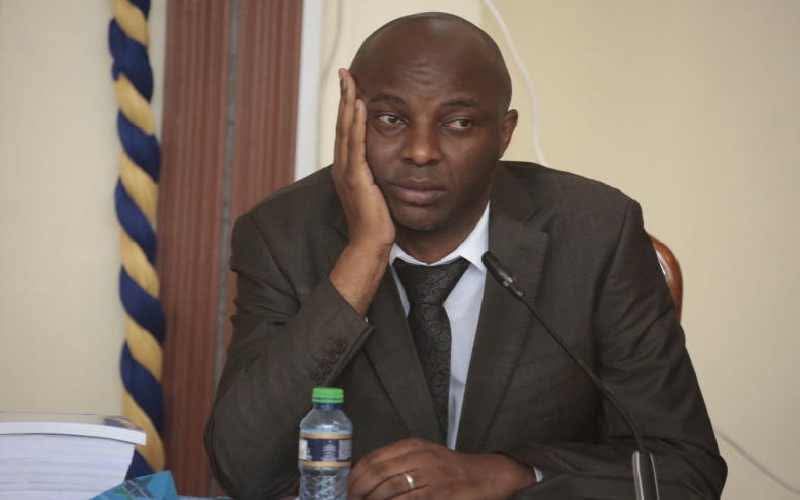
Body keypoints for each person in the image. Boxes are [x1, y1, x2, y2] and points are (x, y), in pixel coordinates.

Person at [205, 12, 726, 500]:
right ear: (351, 121)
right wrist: (363, 255)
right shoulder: (282, 235)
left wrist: (507, 473)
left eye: (458, 123)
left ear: (504, 134)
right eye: (390, 119)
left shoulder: (594, 235)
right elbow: (240, 467)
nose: (421, 151)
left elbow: (685, 470)